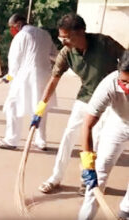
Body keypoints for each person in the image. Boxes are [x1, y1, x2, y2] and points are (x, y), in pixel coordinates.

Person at [30, 13, 125, 194]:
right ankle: (55, 177)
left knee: (95, 139)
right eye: (61, 37)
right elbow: (53, 80)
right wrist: (40, 108)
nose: (63, 41)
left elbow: (126, 58)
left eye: (67, 37)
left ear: (81, 32)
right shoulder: (67, 53)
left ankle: (86, 179)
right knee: (69, 136)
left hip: (107, 102)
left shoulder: (104, 43)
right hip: (85, 98)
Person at [0, 13, 58, 151]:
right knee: (41, 108)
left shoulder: (21, 36)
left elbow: (14, 60)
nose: (12, 30)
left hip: (27, 76)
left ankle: (11, 140)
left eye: (12, 27)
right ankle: (41, 141)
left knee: (12, 105)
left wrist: (10, 76)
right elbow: (54, 55)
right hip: (45, 76)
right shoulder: (45, 34)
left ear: (18, 24)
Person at [78, 50, 129, 220]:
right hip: (119, 124)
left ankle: (126, 210)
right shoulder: (110, 83)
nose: (127, 87)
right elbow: (87, 124)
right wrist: (88, 162)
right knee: (99, 172)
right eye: (124, 82)